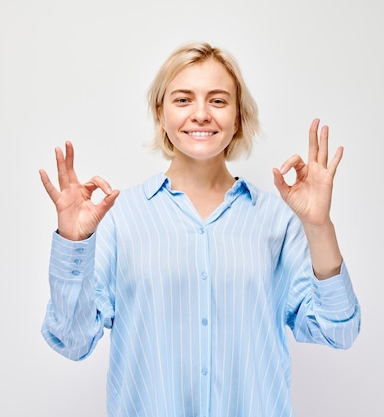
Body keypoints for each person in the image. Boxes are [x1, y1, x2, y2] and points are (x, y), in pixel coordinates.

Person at [39, 41, 361, 417]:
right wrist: (74, 245)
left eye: (218, 101)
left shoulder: (277, 219)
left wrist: (319, 226)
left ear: (238, 117)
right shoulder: (119, 217)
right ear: (161, 113)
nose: (201, 114)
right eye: (183, 100)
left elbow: (338, 330)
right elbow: (72, 341)